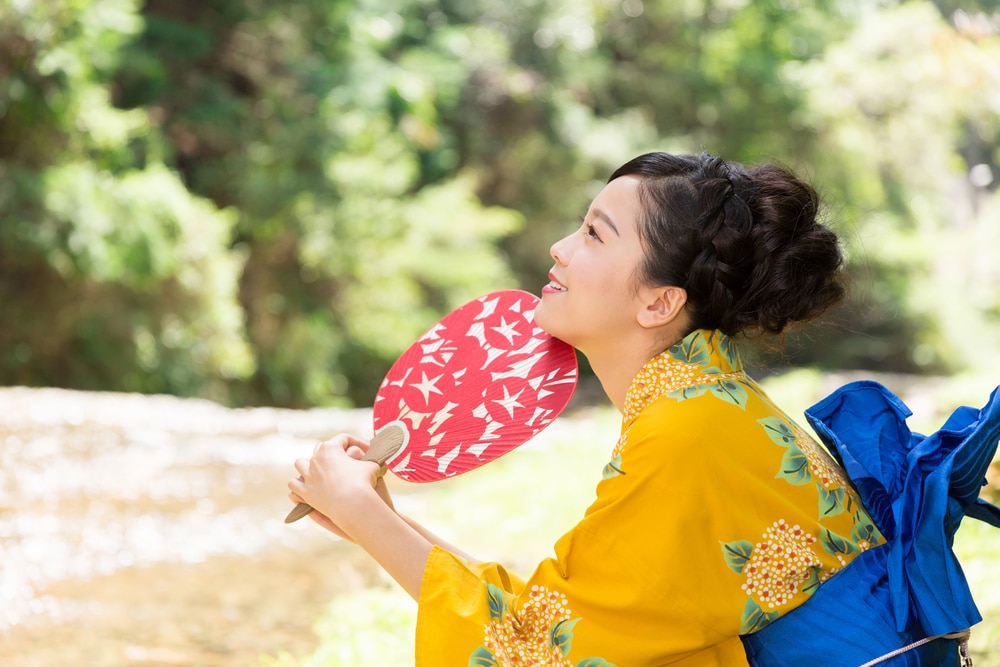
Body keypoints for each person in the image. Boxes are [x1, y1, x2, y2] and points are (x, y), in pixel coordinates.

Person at [288, 152, 1000, 666]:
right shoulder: (699, 400)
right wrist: (376, 519)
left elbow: (542, 650)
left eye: (596, 234)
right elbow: (566, 616)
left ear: (660, 301)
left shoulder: (688, 428)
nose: (559, 249)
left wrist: (368, 516)